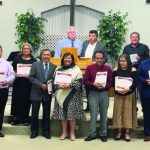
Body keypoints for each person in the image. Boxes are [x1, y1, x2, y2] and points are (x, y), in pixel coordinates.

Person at [52, 52, 84, 141]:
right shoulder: (58, 69)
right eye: (65, 58)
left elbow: (79, 82)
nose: (67, 59)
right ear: (63, 59)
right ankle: (64, 132)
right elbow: (54, 82)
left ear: (72, 60)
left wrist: (69, 85)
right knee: (63, 115)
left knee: (71, 115)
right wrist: (58, 86)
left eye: (69, 58)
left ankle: (72, 133)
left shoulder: (76, 69)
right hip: (60, 94)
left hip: (72, 95)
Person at [84, 51, 112, 142]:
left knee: (104, 114)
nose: (99, 60)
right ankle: (92, 134)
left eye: (101, 58)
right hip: (93, 93)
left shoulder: (108, 68)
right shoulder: (89, 68)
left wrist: (104, 85)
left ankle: (103, 134)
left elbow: (111, 82)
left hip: (104, 93)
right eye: (97, 58)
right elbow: (85, 81)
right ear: (94, 58)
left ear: (103, 58)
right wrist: (93, 84)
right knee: (93, 114)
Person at [29, 49, 56, 139]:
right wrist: (41, 85)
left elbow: (55, 80)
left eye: (48, 55)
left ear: (50, 56)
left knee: (46, 114)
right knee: (34, 113)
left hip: (47, 94)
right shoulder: (35, 65)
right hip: (36, 93)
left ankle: (46, 132)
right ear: (41, 55)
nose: (46, 56)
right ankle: (34, 131)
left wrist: (50, 85)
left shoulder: (54, 67)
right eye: (44, 54)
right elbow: (31, 78)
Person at [112, 54, 138, 142]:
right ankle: (119, 131)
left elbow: (135, 83)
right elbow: (112, 82)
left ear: (128, 61)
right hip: (118, 94)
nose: (122, 63)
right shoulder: (116, 70)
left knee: (128, 113)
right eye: (120, 61)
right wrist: (118, 90)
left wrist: (128, 89)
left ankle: (127, 132)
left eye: (124, 61)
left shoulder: (133, 70)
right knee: (118, 112)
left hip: (129, 94)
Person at [81, 30, 107, 112]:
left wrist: (97, 62)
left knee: (96, 87)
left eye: (93, 36)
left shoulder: (102, 46)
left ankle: (98, 107)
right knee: (87, 86)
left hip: (96, 69)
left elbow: (105, 58)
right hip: (85, 68)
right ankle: (89, 106)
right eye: (90, 35)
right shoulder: (85, 43)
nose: (91, 37)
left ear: (97, 37)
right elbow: (82, 54)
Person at [10, 43, 36, 125]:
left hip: (28, 83)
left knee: (27, 100)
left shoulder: (34, 60)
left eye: (27, 48)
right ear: (22, 50)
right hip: (18, 82)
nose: (26, 50)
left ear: (30, 50)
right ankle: (15, 118)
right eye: (24, 48)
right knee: (16, 99)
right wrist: (15, 74)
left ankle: (25, 118)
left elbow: (35, 71)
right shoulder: (17, 58)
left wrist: (31, 75)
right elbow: (12, 69)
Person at [0, 45, 15, 137]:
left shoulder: (6, 64)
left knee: (1, 110)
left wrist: (8, 81)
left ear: (2, 52)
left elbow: (12, 75)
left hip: (2, 90)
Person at [138, 58, 150, 141]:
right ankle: (147, 133)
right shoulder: (143, 63)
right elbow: (138, 76)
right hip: (146, 92)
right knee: (147, 113)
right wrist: (145, 81)